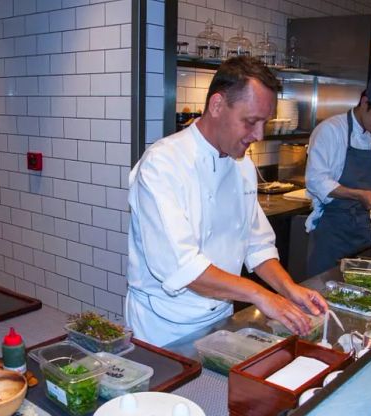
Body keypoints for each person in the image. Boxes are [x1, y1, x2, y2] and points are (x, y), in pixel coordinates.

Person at [126, 57, 327, 346]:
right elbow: (184, 269)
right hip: (164, 325)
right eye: (250, 121)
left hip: (221, 314)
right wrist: (260, 295)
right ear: (217, 105)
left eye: (264, 123)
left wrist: (289, 289)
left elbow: (256, 245)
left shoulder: (241, 164)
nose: (258, 135)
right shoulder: (162, 165)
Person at [304, 76, 371, 277]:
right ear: (365, 101)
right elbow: (316, 181)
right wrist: (359, 195)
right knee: (323, 291)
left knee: (357, 289)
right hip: (331, 233)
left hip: (361, 232)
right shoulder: (330, 130)